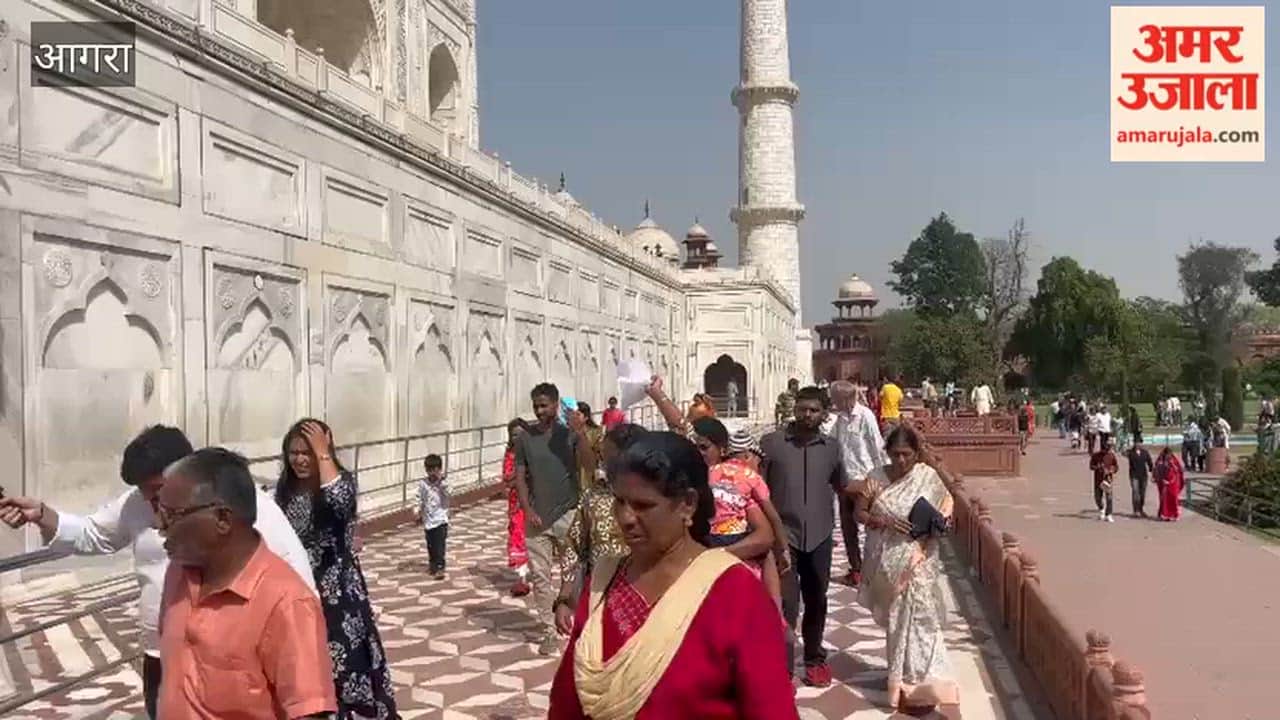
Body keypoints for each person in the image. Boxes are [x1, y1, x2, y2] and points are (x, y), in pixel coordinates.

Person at [0, 425, 314, 720]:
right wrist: (41, 515)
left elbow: (298, 592)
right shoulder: (139, 505)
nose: (158, 515)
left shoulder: (247, 507)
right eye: (150, 498)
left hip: (232, 661)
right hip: (163, 655)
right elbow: (92, 533)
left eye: (161, 495)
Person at [547, 432, 798, 720]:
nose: (626, 518)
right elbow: (567, 699)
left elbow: (771, 710)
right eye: (620, 502)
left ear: (687, 504)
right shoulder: (603, 582)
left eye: (643, 506)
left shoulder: (735, 593)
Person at [155, 447, 337, 719]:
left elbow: (310, 712)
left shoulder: (286, 603)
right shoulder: (177, 574)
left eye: (171, 515)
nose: (159, 526)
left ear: (222, 520)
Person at [275, 419, 397, 719]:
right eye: (294, 453)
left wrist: (323, 452)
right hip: (298, 591)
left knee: (346, 663)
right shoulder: (284, 492)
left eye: (308, 452)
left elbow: (341, 501)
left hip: (338, 597)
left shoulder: (339, 482)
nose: (301, 460)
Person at [854, 425, 959, 714]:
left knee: (922, 618)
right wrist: (883, 522)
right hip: (886, 559)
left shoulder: (927, 476)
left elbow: (947, 506)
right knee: (897, 622)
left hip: (918, 559)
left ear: (916, 454)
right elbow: (859, 513)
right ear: (886, 452)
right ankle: (899, 677)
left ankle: (922, 682)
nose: (901, 461)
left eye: (907, 455)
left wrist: (936, 525)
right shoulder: (875, 477)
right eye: (896, 454)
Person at [759, 386, 851, 687]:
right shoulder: (772, 445)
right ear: (794, 409)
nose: (807, 415)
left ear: (824, 414)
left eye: (813, 410)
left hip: (821, 535)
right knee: (786, 602)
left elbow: (842, 486)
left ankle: (813, 658)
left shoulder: (832, 448)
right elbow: (758, 491)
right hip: (784, 538)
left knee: (817, 599)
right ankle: (781, 663)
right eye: (802, 409)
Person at [514, 382, 598, 655]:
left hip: (568, 512)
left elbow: (588, 464)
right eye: (536, 406)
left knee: (573, 570)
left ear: (555, 404)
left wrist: (580, 433)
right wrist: (528, 510)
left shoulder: (568, 435)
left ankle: (568, 617)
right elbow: (520, 477)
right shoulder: (525, 437)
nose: (539, 411)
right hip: (538, 517)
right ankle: (548, 631)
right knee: (540, 576)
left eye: (544, 405)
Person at [554, 423, 638, 636]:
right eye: (603, 456)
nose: (603, 463)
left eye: (610, 457)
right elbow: (574, 548)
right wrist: (564, 598)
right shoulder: (593, 497)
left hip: (644, 602)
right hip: (598, 601)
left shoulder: (659, 498)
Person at [699, 419, 787, 610]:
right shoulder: (752, 478)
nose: (760, 466)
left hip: (709, 538)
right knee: (767, 555)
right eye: (759, 461)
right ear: (749, 456)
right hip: (734, 537)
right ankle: (777, 614)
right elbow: (772, 517)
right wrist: (784, 549)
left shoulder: (709, 472)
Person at [829, 380, 887, 587]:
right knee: (848, 527)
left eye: (835, 399)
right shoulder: (840, 419)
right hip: (846, 479)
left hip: (866, 479)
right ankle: (856, 570)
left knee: (872, 524)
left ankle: (877, 570)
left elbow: (877, 447)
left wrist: (884, 477)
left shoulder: (865, 416)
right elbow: (833, 446)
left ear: (844, 398)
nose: (833, 403)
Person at [503, 418, 532, 596]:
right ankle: (521, 579)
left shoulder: (534, 454)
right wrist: (521, 474)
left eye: (521, 434)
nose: (517, 438)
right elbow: (507, 479)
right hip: (516, 506)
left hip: (535, 503)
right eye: (514, 435)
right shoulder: (510, 455)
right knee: (518, 538)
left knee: (535, 540)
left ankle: (533, 574)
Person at [419, 453, 450, 579]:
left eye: (435, 470)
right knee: (430, 544)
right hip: (428, 520)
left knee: (439, 545)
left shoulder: (444, 483)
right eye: (429, 470)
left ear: (439, 469)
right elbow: (419, 497)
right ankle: (432, 564)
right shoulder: (423, 484)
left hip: (441, 519)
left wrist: (441, 482)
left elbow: (449, 493)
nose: (432, 473)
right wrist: (417, 510)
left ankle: (440, 567)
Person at [576, 401, 605, 495]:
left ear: (586, 417)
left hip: (587, 474)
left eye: (578, 414)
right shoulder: (566, 432)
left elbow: (600, 453)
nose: (574, 417)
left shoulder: (595, 432)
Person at [1090, 436, 1119, 522]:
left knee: (1109, 497)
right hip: (1098, 480)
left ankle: (1109, 514)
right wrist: (1097, 467)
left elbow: (1116, 467)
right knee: (1097, 497)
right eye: (1106, 447)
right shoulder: (1096, 456)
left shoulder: (1111, 456)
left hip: (1107, 479)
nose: (1107, 449)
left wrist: (1111, 470)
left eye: (1109, 447)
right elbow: (1091, 466)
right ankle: (1101, 508)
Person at [1155, 446, 1184, 521]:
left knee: (1173, 498)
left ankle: (1174, 514)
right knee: (1164, 499)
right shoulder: (1161, 460)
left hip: (1173, 483)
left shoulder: (1173, 460)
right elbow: (1157, 468)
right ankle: (1164, 514)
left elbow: (1178, 470)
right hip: (1164, 482)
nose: (1168, 456)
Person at [1126, 442, 1154, 518]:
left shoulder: (1145, 453)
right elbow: (1124, 453)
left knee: (1142, 493)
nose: (1139, 445)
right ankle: (1136, 510)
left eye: (1140, 443)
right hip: (1134, 475)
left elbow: (1149, 462)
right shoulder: (1131, 453)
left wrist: (1152, 471)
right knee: (1135, 492)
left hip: (1143, 476)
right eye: (1137, 443)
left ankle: (1141, 509)